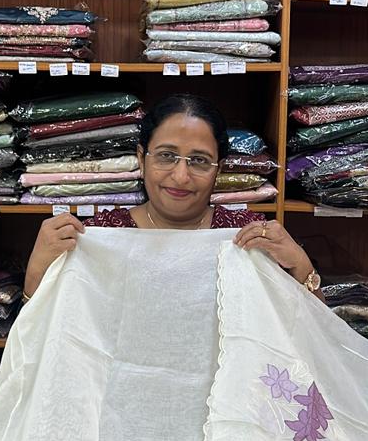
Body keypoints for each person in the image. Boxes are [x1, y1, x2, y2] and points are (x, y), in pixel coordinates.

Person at [23, 93, 321, 300]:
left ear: (218, 169)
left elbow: (315, 336)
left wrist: (300, 265)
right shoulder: (101, 235)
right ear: (142, 159)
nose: (181, 176)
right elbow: (43, 337)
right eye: (166, 156)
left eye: (199, 161)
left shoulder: (246, 236)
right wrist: (37, 269)